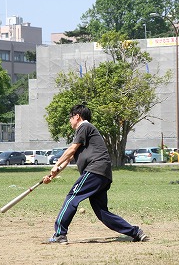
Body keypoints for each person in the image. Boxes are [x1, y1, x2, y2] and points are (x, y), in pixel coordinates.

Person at [43, 104, 148, 244]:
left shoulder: (84, 127)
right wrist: (52, 175)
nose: (69, 121)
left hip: (94, 170)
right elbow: (68, 159)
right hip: (102, 174)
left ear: (77, 116)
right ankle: (135, 232)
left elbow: (72, 149)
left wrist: (55, 165)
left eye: (70, 117)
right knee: (102, 212)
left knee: (72, 198)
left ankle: (59, 234)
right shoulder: (85, 133)